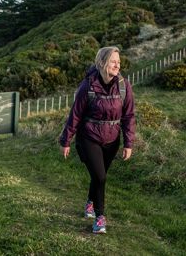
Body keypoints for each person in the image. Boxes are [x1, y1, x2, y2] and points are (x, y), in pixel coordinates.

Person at [60, 46, 136, 234]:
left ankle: (90, 202)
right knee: (100, 176)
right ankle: (100, 218)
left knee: (98, 177)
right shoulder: (88, 86)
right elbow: (75, 115)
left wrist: (128, 143)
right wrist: (66, 140)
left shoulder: (124, 86)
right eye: (113, 61)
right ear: (102, 63)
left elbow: (129, 116)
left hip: (112, 140)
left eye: (119, 62)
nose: (117, 65)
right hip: (89, 137)